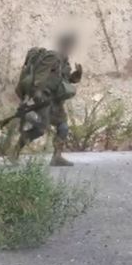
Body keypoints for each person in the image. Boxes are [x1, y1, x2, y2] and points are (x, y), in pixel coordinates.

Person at [11, 33, 83, 167]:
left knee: (63, 127)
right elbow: (40, 74)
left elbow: (65, 81)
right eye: (68, 45)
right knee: (40, 129)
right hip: (44, 97)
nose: (69, 48)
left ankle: (57, 157)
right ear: (63, 45)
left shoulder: (64, 61)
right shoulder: (53, 57)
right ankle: (15, 151)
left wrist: (76, 76)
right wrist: (36, 92)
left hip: (56, 100)